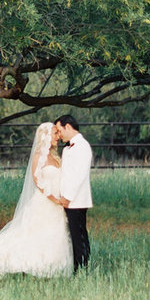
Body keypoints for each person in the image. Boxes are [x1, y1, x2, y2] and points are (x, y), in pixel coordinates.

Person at [0, 122, 73, 277]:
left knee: (55, 236)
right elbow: (38, 181)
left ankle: (51, 267)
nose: (58, 137)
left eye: (58, 133)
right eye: (54, 133)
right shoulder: (39, 156)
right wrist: (54, 199)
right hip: (44, 203)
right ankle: (26, 265)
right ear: (45, 135)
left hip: (58, 205)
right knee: (34, 235)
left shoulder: (55, 156)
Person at [53, 114, 93, 273]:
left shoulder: (82, 146)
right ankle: (76, 266)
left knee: (79, 236)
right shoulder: (68, 148)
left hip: (76, 200)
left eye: (59, 130)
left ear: (68, 127)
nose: (59, 134)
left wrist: (68, 197)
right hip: (68, 200)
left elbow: (79, 174)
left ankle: (82, 268)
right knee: (72, 236)